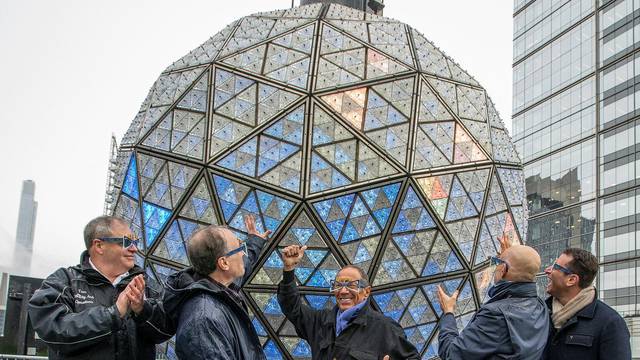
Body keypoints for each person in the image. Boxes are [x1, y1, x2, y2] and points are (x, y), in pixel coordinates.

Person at [28, 215, 171, 360]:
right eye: (127, 241)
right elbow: (54, 330)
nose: (134, 249)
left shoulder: (147, 284)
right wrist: (113, 314)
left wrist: (142, 310)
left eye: (135, 242)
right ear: (99, 246)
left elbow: (165, 331)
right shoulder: (64, 281)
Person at [278, 245, 420, 360]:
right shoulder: (320, 321)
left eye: (352, 285)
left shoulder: (385, 328)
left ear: (366, 291)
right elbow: (291, 307)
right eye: (338, 285)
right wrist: (289, 270)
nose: (343, 291)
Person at [163, 215, 270, 360]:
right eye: (239, 247)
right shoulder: (204, 322)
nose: (242, 252)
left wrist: (254, 241)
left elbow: (245, 261)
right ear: (224, 263)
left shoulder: (221, 285)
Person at [436, 242, 549, 359]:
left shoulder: (495, 315)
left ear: (503, 269)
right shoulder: (541, 306)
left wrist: (448, 312)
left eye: (496, 263)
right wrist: (509, 257)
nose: (495, 267)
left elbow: (452, 354)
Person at [543, 248, 631, 359]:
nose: (547, 270)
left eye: (556, 267)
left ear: (571, 280)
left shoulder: (610, 323)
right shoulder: (541, 313)